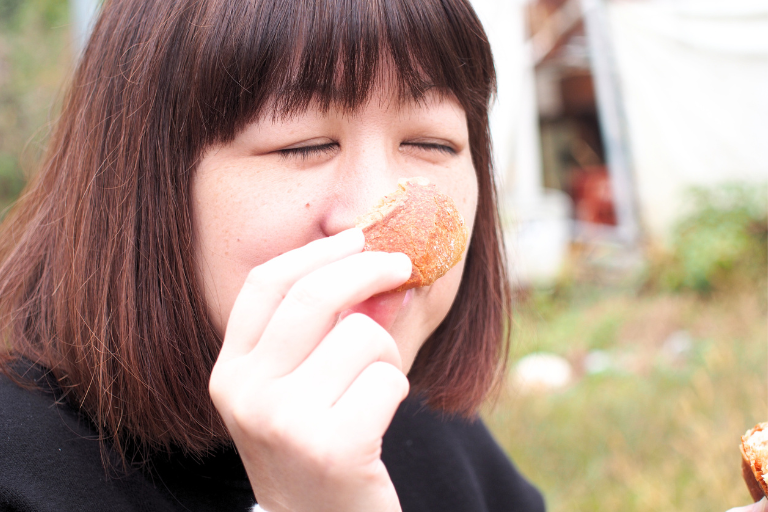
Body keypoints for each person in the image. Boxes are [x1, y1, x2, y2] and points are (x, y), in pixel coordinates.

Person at [0, 0, 545, 511]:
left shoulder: (432, 435)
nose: (379, 219)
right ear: (139, 182)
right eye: (303, 145)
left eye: (431, 143)